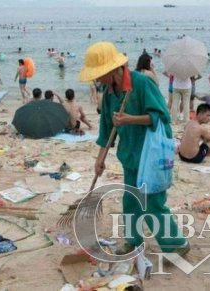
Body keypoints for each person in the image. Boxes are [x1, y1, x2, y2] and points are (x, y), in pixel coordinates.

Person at [79, 42, 189, 255]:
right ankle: (133, 239)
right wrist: (99, 159)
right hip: (130, 155)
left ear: (111, 70)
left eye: (99, 74)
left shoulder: (141, 83)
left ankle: (177, 244)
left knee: (152, 203)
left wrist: (130, 119)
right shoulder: (109, 92)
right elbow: (106, 130)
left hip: (151, 154)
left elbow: (161, 116)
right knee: (130, 199)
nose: (97, 79)